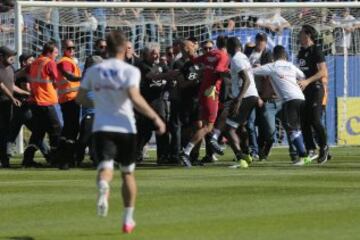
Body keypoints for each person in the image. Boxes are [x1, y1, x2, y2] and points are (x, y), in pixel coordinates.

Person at [76, 30, 166, 234]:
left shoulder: (95, 70)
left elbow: (80, 98)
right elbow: (135, 97)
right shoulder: (130, 71)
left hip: (102, 127)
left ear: (106, 48)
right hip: (126, 126)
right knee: (127, 173)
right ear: (124, 48)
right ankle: (128, 219)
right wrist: (155, 117)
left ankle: (103, 186)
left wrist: (98, 103)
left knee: (105, 167)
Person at [253, 45, 311, 166]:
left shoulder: (273, 66)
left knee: (291, 128)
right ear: (285, 55)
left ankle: (303, 156)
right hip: (301, 98)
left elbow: (253, 71)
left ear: (274, 56)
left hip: (289, 100)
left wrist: (256, 67)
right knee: (294, 127)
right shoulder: (291, 65)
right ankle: (303, 153)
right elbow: (303, 76)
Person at [180, 35, 229, 167]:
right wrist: (231, 72)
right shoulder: (223, 56)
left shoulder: (210, 55)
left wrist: (188, 50)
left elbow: (194, 59)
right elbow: (219, 71)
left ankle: (199, 151)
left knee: (202, 125)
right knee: (208, 126)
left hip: (202, 92)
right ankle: (186, 152)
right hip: (211, 93)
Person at [217, 37, 259, 169]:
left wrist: (238, 99)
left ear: (230, 47)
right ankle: (247, 155)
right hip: (251, 95)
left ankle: (241, 159)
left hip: (245, 96)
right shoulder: (242, 57)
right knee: (241, 127)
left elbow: (246, 80)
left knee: (228, 129)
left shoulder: (236, 59)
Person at [22, 41, 62, 168]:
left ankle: (27, 158)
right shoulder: (50, 63)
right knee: (56, 129)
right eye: (55, 52)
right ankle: (55, 158)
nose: (56, 55)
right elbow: (57, 80)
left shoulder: (35, 62)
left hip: (36, 102)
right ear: (49, 52)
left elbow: (27, 74)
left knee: (38, 132)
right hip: (47, 101)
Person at [7, 53, 50, 159]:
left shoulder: (18, 73)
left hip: (19, 107)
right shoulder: (24, 74)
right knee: (37, 131)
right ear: (24, 63)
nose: (33, 62)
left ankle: (5, 154)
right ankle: (48, 154)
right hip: (25, 107)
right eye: (31, 60)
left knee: (12, 133)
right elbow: (26, 88)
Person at [297, 25, 330, 164]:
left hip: (316, 89)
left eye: (301, 33)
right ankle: (311, 149)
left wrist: (307, 81)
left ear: (308, 35)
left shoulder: (316, 50)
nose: (299, 36)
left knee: (315, 120)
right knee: (304, 121)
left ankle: (324, 147)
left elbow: (322, 71)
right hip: (304, 90)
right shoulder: (301, 52)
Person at [75, 39, 107, 166]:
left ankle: (95, 158)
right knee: (85, 137)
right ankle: (77, 158)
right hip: (90, 112)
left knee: (96, 138)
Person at [56, 39, 82, 169]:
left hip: (70, 99)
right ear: (63, 49)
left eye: (73, 48)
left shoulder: (69, 61)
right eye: (69, 48)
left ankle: (63, 157)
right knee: (71, 129)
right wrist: (83, 77)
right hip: (69, 99)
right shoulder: (64, 62)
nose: (72, 50)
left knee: (69, 128)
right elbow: (69, 76)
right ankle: (65, 158)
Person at [0, 46, 25, 168]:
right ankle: (3, 159)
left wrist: (26, 93)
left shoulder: (10, 69)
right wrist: (13, 98)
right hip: (2, 103)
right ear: (1, 56)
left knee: (5, 132)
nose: (12, 58)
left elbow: (11, 85)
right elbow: (2, 87)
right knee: (2, 132)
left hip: (7, 105)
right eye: (9, 55)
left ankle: (4, 160)